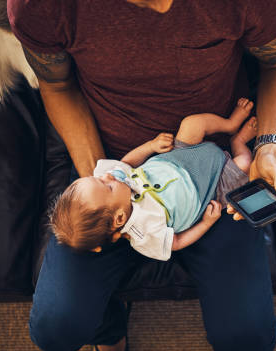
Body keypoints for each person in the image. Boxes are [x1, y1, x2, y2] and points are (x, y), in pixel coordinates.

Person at [8, 0, 276, 351]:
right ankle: (110, 333)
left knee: (248, 336)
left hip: (211, 170)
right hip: (108, 167)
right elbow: (56, 84)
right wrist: (102, 181)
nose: (166, 7)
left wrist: (269, 148)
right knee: (57, 328)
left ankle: (239, 350)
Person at [51, 98, 257, 260]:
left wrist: (150, 146)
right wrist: (206, 223)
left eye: (96, 179)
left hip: (179, 158)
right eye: (107, 186)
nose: (106, 176)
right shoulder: (143, 234)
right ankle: (238, 141)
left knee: (192, 124)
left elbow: (127, 162)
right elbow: (175, 242)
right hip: (208, 189)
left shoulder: (114, 180)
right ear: (120, 218)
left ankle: (230, 125)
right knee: (244, 166)